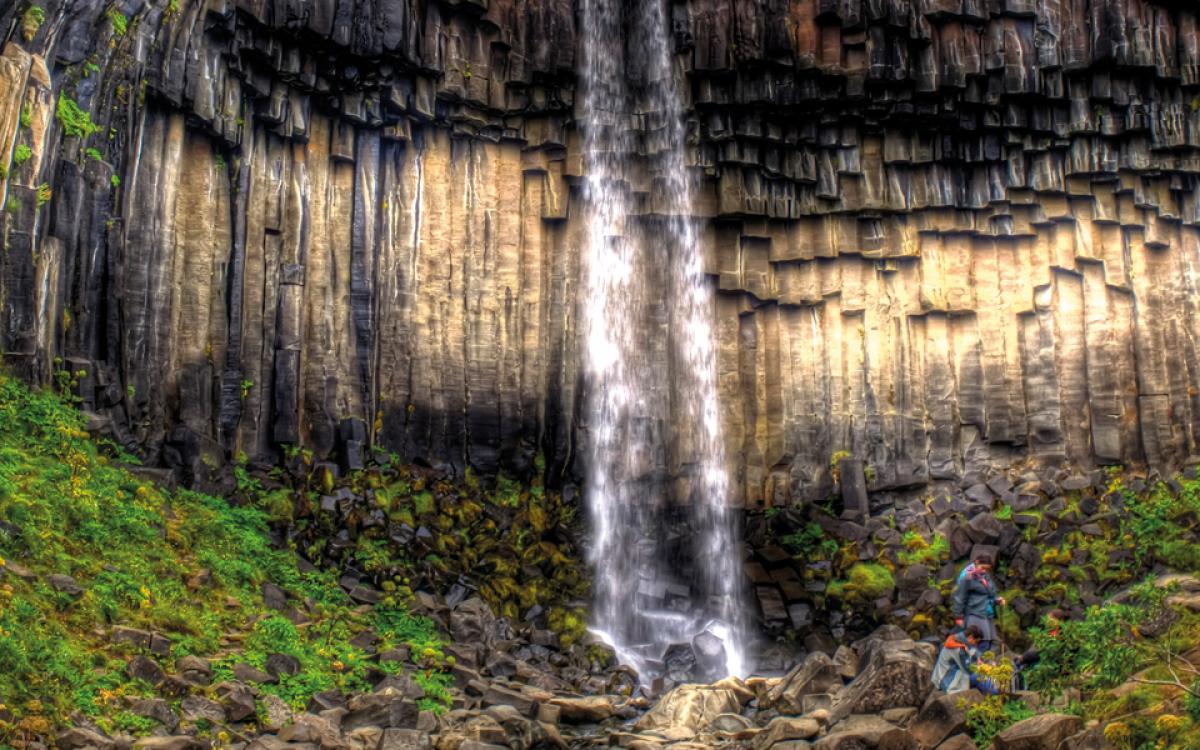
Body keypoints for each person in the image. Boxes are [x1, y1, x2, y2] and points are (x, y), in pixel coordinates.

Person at [952, 552, 1005, 654]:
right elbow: (960, 597)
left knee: (989, 642)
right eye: (982, 567)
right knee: (981, 641)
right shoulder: (967, 577)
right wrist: (958, 616)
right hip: (974, 612)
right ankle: (973, 664)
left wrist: (997, 600)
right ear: (976, 562)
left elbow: (991, 592)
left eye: (987, 569)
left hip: (987, 612)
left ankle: (979, 665)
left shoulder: (985, 576)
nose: (984, 571)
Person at [932, 625, 994, 694]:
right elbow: (968, 669)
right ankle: (995, 693)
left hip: (942, 676)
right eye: (976, 641)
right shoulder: (957, 648)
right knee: (979, 676)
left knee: (980, 676)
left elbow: (972, 650)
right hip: (946, 680)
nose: (976, 644)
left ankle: (990, 692)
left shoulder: (957, 638)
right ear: (970, 637)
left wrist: (979, 658)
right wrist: (984, 668)